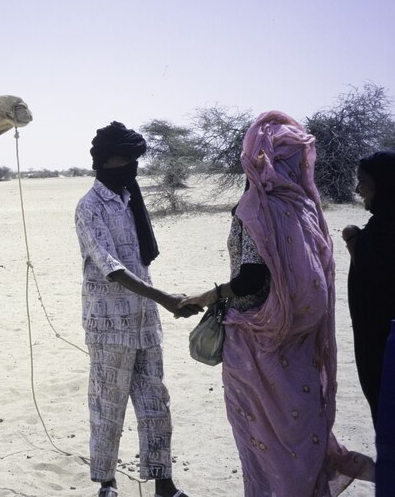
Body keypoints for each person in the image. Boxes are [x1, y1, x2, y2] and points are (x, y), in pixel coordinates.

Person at [181, 111, 374, 495]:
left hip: (255, 341)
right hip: (300, 338)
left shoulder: (254, 207)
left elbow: (251, 277)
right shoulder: (305, 206)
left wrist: (210, 295)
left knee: (261, 436)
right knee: (300, 430)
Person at [74, 121, 199, 497]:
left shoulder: (131, 200)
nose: (131, 166)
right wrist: (164, 296)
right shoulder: (89, 207)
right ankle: (107, 483)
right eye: (124, 159)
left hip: (146, 324)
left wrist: (159, 302)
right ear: (104, 161)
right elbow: (110, 266)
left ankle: (164, 483)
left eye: (133, 159)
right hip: (109, 325)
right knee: (107, 407)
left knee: (155, 404)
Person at [341, 150, 395, 429]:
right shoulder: (380, 227)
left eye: (362, 181)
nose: (357, 189)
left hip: (385, 348)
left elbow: (375, 276)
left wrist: (352, 237)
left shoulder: (384, 231)